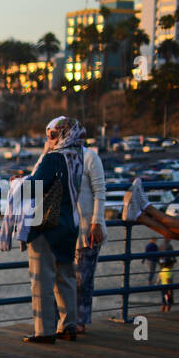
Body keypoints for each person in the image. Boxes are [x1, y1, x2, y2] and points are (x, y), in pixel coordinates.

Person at [20, 117, 82, 343]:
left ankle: (44, 331)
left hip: (47, 224)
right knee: (65, 276)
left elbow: (33, 187)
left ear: (64, 134)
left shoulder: (54, 158)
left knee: (42, 279)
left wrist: (19, 182)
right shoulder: (77, 155)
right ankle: (68, 325)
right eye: (48, 135)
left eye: (53, 135)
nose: (50, 140)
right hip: (70, 223)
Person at [66, 123, 107, 334]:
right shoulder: (59, 157)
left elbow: (100, 192)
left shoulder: (90, 157)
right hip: (65, 231)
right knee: (65, 278)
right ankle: (66, 320)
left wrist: (96, 223)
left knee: (84, 279)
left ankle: (79, 321)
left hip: (88, 230)